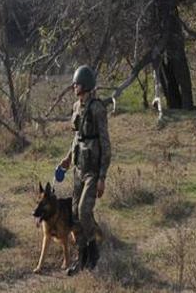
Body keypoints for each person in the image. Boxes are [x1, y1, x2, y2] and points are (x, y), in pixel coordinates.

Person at [59, 65, 111, 275]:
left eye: (77, 83)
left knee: (84, 210)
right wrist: (68, 158)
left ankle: (93, 252)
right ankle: (82, 258)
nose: (74, 86)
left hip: (92, 171)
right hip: (79, 168)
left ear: (86, 85)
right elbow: (77, 137)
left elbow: (105, 144)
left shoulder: (97, 108)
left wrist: (102, 177)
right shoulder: (76, 107)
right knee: (74, 215)